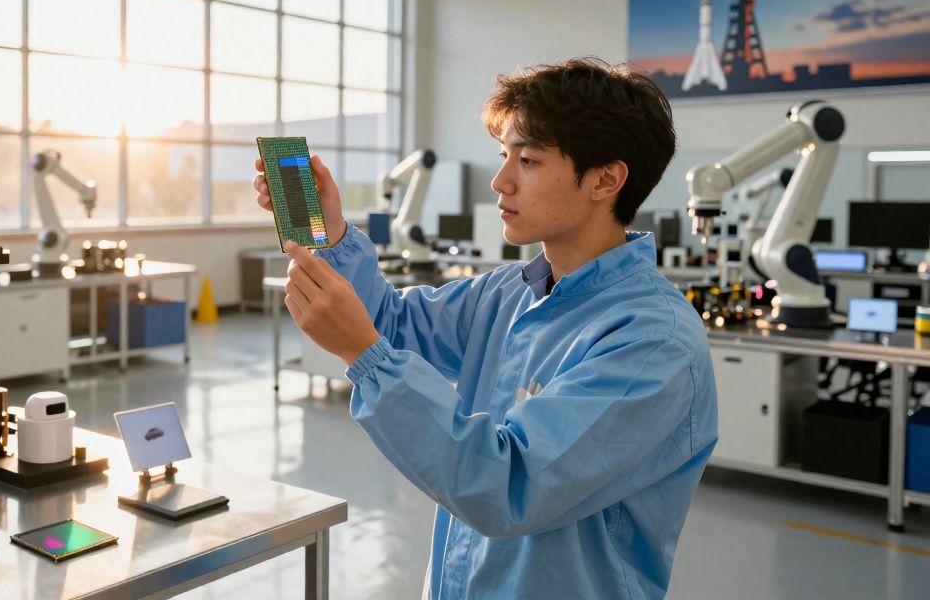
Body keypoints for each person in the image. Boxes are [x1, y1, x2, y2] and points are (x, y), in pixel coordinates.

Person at [253, 58, 717, 599]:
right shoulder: (508, 293)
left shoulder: (651, 343)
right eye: (504, 156)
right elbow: (395, 323)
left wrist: (365, 354)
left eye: (529, 160)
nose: (500, 181)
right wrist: (331, 233)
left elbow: (509, 484)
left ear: (606, 179)